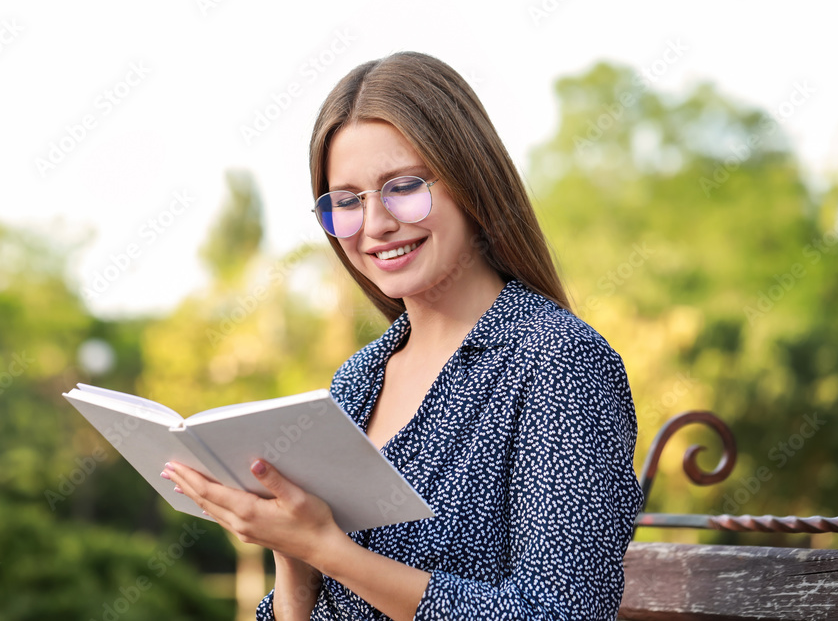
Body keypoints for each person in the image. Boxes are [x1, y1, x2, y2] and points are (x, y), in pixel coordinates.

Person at [162, 51, 644, 620]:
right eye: (347, 201)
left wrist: (327, 548)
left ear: (471, 181)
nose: (375, 224)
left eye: (404, 186)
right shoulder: (359, 377)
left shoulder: (558, 363)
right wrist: (292, 550)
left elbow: (562, 613)